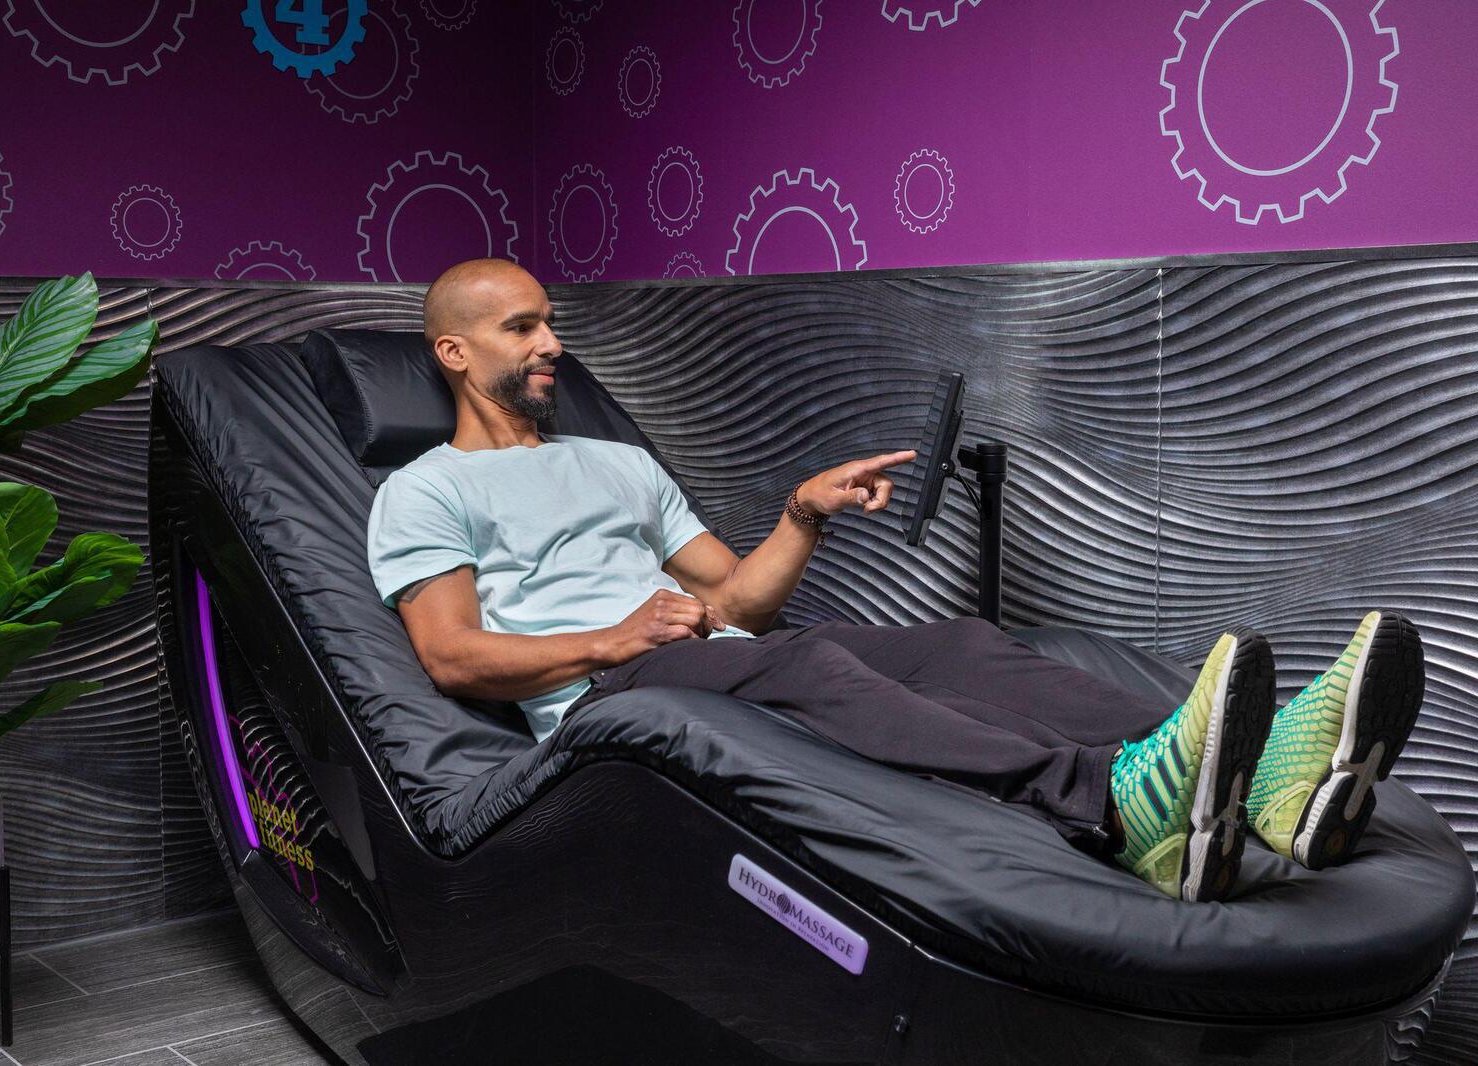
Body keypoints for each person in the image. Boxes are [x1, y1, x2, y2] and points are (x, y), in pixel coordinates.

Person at [366, 258, 1426, 903]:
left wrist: (801, 515)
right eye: (523, 328)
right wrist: (614, 640)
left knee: (956, 644)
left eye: (549, 321)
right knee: (814, 668)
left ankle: (1254, 777)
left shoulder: (617, 465)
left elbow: (736, 607)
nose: (552, 342)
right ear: (454, 352)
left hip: (705, 658)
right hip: (602, 703)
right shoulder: (425, 490)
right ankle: (1112, 802)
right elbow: (450, 655)